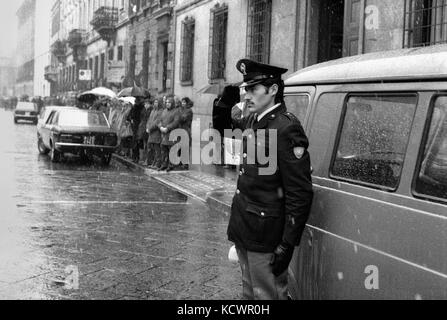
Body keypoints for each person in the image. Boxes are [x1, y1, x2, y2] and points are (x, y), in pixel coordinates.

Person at [227, 59, 314, 300]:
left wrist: (287, 244)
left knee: (267, 295)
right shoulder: (254, 120)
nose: (247, 95)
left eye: (254, 89)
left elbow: (300, 192)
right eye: (246, 89)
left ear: (273, 89)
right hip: (246, 225)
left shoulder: (286, 129)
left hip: (267, 234)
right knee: (249, 293)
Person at [159, 96, 181, 172]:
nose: (167, 104)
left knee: (171, 150)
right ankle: (164, 164)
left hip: (172, 133)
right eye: (166, 102)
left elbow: (176, 122)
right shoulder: (164, 111)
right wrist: (160, 127)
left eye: (169, 103)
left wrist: (167, 128)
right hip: (164, 134)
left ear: (172, 103)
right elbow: (160, 120)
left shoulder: (176, 111)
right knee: (164, 150)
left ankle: (171, 165)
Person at [146, 97, 164, 169]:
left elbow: (157, 122)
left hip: (156, 132)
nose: (155, 103)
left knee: (157, 149)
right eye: (154, 102)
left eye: (157, 102)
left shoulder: (160, 111)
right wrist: (147, 127)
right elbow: (149, 120)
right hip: (151, 132)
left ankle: (158, 163)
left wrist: (150, 128)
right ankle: (153, 162)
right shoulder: (153, 110)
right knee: (152, 148)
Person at [127, 96, 145, 163]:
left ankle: (137, 157)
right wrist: (130, 119)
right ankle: (135, 157)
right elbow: (129, 116)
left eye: (136, 101)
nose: (135, 102)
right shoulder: (134, 107)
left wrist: (133, 120)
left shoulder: (141, 108)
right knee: (135, 142)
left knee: (138, 142)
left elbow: (142, 117)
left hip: (138, 126)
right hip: (134, 126)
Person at [179, 97, 194, 170]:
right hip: (181, 129)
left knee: (185, 147)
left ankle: (185, 164)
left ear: (187, 103)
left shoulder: (189, 111)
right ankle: (181, 162)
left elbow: (183, 118)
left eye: (184, 102)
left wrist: (177, 116)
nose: (183, 103)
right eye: (182, 102)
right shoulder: (181, 109)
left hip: (186, 130)